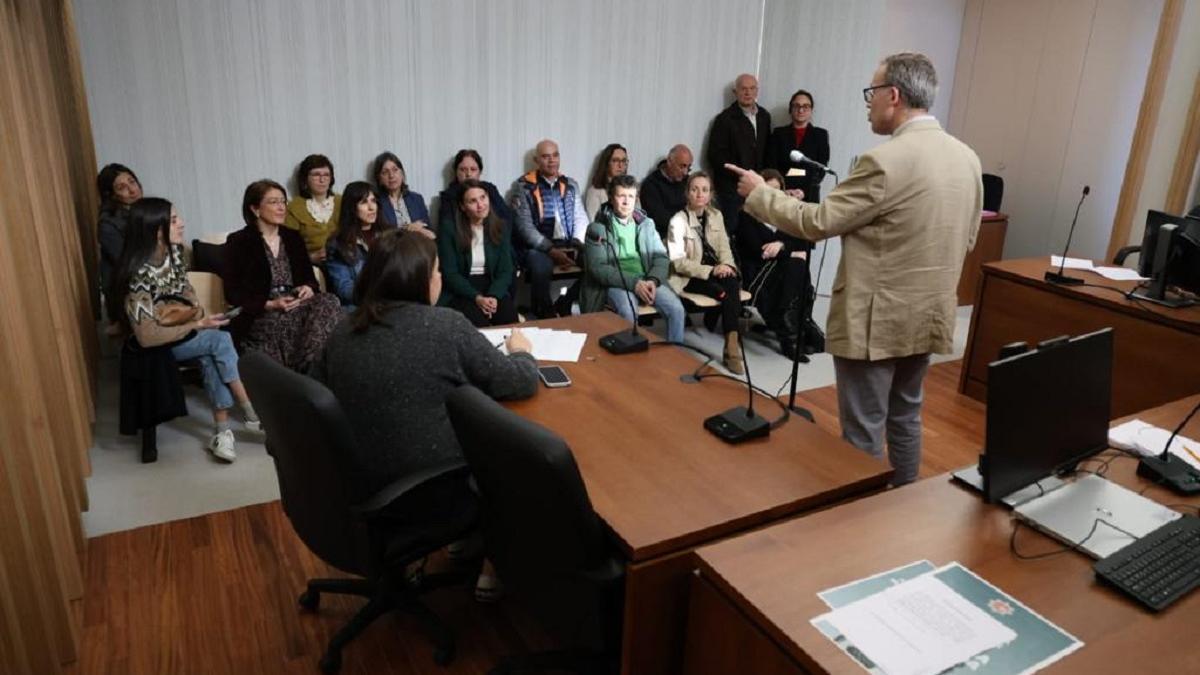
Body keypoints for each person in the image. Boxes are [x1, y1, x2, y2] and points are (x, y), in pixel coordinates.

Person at [726, 52, 982, 486]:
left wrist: (758, 193)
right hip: (927, 315)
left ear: (894, 95)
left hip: (876, 322)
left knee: (862, 433)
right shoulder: (967, 159)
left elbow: (817, 222)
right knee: (905, 417)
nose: (868, 102)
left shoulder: (883, 162)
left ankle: (862, 531)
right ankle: (901, 508)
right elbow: (969, 238)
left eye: (872, 92)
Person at [310, 229, 537, 602]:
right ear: (419, 279)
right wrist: (521, 351)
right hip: (422, 491)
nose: (440, 278)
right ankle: (492, 566)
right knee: (515, 455)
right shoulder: (444, 326)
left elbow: (315, 397)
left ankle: (462, 543)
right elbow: (519, 383)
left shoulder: (341, 332)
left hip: (354, 486)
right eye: (436, 271)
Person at [112, 197, 260, 462]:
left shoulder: (174, 256)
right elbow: (147, 337)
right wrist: (197, 323)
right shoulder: (138, 277)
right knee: (219, 340)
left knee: (211, 351)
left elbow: (192, 301)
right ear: (156, 231)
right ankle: (252, 412)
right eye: (173, 220)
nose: (182, 224)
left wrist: (193, 317)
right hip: (152, 350)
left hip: (178, 333)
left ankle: (223, 432)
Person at [224, 179, 342, 372]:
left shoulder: (293, 237)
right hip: (262, 310)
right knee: (287, 323)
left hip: (295, 302)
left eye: (282, 201)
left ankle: (308, 363)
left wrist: (308, 288)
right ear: (255, 209)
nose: (281, 207)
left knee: (330, 301)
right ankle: (308, 371)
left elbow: (309, 279)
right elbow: (232, 292)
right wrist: (270, 304)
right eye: (273, 202)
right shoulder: (239, 241)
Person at [580, 175, 684, 343]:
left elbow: (660, 257)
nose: (627, 202)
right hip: (617, 282)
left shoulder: (646, 224)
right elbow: (598, 268)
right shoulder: (597, 228)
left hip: (647, 279)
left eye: (631, 197)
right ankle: (629, 355)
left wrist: (652, 280)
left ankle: (677, 355)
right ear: (611, 198)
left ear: (636, 199)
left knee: (676, 309)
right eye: (621, 196)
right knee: (628, 311)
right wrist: (634, 283)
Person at [666, 172, 743, 373]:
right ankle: (731, 347)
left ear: (710, 195)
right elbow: (679, 263)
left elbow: (725, 249)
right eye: (694, 189)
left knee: (732, 282)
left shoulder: (716, 216)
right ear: (687, 193)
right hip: (688, 276)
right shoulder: (678, 221)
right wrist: (711, 270)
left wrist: (727, 267)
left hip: (715, 271)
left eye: (705, 190)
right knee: (723, 292)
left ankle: (731, 348)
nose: (700, 194)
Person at [739, 169, 815, 359]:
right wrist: (787, 249)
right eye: (767, 189)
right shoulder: (746, 215)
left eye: (776, 191)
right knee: (796, 264)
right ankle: (789, 336)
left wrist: (781, 246)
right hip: (757, 272)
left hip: (781, 269)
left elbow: (801, 243)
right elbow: (759, 251)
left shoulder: (784, 218)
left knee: (797, 266)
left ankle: (797, 326)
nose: (771, 195)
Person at [511, 139, 589, 318]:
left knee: (596, 261)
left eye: (555, 155)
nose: (552, 160)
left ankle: (566, 301)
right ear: (536, 160)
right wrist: (551, 250)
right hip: (538, 247)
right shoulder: (523, 186)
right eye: (546, 157)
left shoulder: (570, 185)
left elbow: (580, 217)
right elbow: (524, 227)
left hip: (569, 243)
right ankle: (544, 312)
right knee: (540, 266)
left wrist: (578, 244)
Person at [437, 180, 518, 326]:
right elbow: (450, 274)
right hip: (462, 287)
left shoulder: (500, 227)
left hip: (491, 283)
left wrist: (493, 296)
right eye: (473, 201)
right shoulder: (449, 229)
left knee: (509, 317)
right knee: (478, 322)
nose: (480, 205)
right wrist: (477, 298)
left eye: (483, 197)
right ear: (462, 206)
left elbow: (505, 269)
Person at [707, 74, 770, 239]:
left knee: (755, 232)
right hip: (731, 189)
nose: (748, 93)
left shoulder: (764, 116)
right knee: (732, 231)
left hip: (757, 186)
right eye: (743, 89)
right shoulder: (725, 119)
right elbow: (715, 156)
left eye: (752, 88)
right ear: (735, 92)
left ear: (757, 91)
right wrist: (740, 174)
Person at [325, 181, 395, 309]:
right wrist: (378, 294)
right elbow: (345, 290)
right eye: (364, 202)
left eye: (373, 201)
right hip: (361, 306)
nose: (371, 207)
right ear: (351, 207)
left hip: (393, 301)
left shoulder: (390, 235)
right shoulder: (338, 243)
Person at [97, 163, 143, 333]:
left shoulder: (145, 211)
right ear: (112, 195)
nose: (132, 190)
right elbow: (129, 264)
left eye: (132, 181)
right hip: (127, 292)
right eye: (122, 187)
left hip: (146, 284)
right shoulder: (108, 224)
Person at [766, 89, 831, 202]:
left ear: (811, 110)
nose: (801, 110)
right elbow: (771, 165)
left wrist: (803, 191)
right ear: (791, 109)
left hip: (809, 195)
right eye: (797, 106)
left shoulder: (821, 135)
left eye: (805, 106)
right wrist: (782, 190)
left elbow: (821, 168)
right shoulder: (778, 133)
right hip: (782, 195)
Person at [435, 149, 514, 230]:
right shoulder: (448, 196)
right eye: (463, 170)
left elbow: (506, 217)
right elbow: (446, 228)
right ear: (456, 172)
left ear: (479, 172)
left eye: (473, 169)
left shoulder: (490, 189)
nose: (468, 174)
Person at [283, 154, 342, 262]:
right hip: (312, 263)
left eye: (326, 175)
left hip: (342, 259)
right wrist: (310, 258)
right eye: (316, 175)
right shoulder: (294, 207)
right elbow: (290, 245)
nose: (322, 179)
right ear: (305, 178)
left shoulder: (342, 201)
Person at [373, 151, 433, 239]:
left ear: (402, 173)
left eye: (395, 170)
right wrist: (409, 229)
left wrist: (420, 230)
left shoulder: (416, 199)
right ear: (379, 179)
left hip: (418, 248)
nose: (391, 175)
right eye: (385, 172)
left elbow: (431, 233)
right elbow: (381, 235)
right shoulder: (376, 202)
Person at [640, 144, 693, 242]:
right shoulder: (651, 184)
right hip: (666, 236)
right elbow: (660, 219)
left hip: (690, 232)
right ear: (669, 162)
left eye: (688, 168)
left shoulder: (688, 181)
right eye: (682, 166)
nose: (685, 172)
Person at [585, 143, 629, 220]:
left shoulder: (631, 189)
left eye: (623, 161)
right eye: (615, 160)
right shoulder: (595, 192)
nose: (620, 165)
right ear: (607, 163)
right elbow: (594, 223)